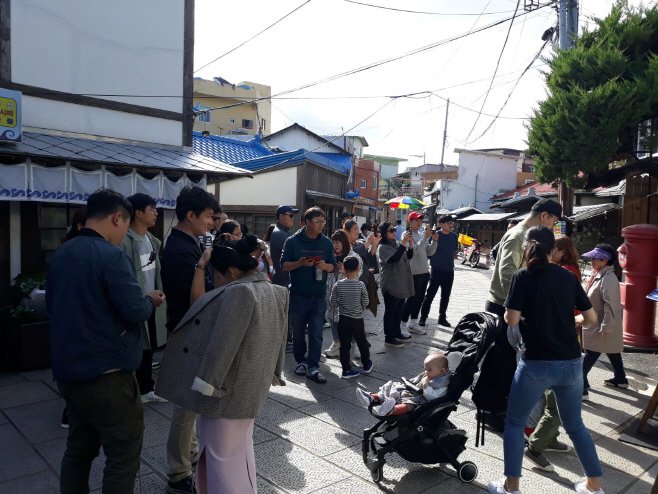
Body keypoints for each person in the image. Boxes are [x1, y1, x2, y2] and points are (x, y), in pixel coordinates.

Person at [46, 189, 165, 494]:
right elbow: (134, 308)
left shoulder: (62, 252)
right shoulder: (112, 255)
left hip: (69, 371)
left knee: (78, 451)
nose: (124, 231)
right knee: (123, 454)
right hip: (108, 375)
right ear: (116, 217)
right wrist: (150, 299)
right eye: (124, 225)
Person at [156, 237, 288, 494]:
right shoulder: (275, 290)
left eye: (214, 275)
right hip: (252, 386)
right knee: (238, 453)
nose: (213, 282)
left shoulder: (239, 292)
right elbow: (280, 337)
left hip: (225, 392)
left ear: (229, 272)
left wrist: (207, 384)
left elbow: (223, 344)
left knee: (219, 457)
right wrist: (275, 371)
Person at [487, 226, 603, 494]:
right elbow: (590, 318)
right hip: (572, 363)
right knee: (576, 426)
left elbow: (512, 320)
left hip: (536, 363)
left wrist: (510, 315)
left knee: (515, 424)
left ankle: (511, 486)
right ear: (554, 250)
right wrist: (570, 319)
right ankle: (593, 487)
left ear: (527, 248)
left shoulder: (522, 276)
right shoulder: (567, 277)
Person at [160, 185, 218, 494]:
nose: (210, 223)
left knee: (190, 404)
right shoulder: (181, 249)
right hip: (188, 333)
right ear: (191, 215)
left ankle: (189, 458)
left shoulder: (187, 243)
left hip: (191, 330)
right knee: (186, 406)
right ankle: (178, 473)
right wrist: (204, 264)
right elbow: (195, 299)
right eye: (208, 216)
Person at [523, 235, 581, 473]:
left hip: (556, 344)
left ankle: (545, 438)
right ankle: (538, 443)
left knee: (555, 399)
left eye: (555, 249)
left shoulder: (565, 273)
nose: (552, 253)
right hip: (557, 348)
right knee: (557, 401)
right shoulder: (562, 272)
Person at [120, 193, 168, 404]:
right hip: (135, 302)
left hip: (152, 301)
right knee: (137, 346)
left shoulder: (152, 240)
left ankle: (146, 387)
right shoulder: (124, 241)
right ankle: (141, 387)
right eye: (152, 209)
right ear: (138, 213)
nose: (156, 214)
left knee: (149, 345)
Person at [282, 207, 336, 384]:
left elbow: (334, 266)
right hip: (297, 294)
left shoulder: (327, 243)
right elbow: (283, 265)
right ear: (307, 222)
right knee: (298, 332)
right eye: (318, 221)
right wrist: (300, 263)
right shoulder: (292, 241)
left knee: (316, 332)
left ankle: (313, 367)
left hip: (319, 295)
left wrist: (325, 266)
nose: (321, 225)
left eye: (323, 221)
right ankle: (301, 361)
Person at [581, 244, 628, 397]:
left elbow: (611, 304)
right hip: (597, 320)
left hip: (601, 322)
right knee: (610, 349)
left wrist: (606, 326)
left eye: (596, 258)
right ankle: (620, 378)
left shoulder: (608, 278)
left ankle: (580, 386)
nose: (592, 260)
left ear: (605, 260)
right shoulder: (600, 275)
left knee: (591, 353)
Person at [59, 206, 88, 430]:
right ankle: (71, 412)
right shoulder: (79, 252)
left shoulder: (65, 250)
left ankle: (72, 410)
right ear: (80, 226)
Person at [355, 353, 450, 416]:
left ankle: (392, 410)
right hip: (412, 391)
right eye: (425, 369)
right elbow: (416, 380)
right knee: (394, 388)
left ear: (442, 371)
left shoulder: (442, 383)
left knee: (409, 405)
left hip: (421, 400)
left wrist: (425, 385)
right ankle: (372, 397)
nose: (426, 372)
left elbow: (432, 398)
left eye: (429, 370)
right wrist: (408, 383)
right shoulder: (432, 374)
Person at [330, 256, 372, 379]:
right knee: (362, 342)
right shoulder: (360, 285)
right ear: (358, 269)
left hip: (343, 319)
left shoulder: (338, 285)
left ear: (343, 269)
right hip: (357, 319)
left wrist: (343, 304)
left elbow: (333, 301)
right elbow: (365, 302)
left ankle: (346, 370)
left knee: (345, 345)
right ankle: (366, 364)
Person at [324, 230, 362, 358]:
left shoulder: (354, 257)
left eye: (338, 242)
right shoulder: (331, 256)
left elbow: (358, 273)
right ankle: (336, 344)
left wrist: (344, 269)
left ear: (344, 242)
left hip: (349, 296)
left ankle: (355, 346)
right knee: (334, 320)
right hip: (332, 296)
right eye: (333, 242)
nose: (335, 245)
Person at [377, 221, 414, 348]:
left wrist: (410, 244)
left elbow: (408, 256)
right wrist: (403, 244)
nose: (394, 232)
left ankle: (397, 332)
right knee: (391, 311)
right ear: (384, 233)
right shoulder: (383, 247)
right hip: (390, 284)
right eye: (391, 230)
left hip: (401, 283)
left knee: (399, 310)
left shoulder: (397, 244)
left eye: (394, 230)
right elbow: (393, 259)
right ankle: (389, 337)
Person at [401, 212, 438, 336]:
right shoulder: (407, 235)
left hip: (424, 271)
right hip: (413, 272)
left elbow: (429, 252)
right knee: (411, 299)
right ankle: (403, 324)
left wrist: (434, 241)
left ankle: (414, 322)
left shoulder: (423, 235)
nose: (418, 222)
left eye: (420, 220)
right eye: (416, 220)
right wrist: (425, 238)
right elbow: (413, 252)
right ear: (409, 221)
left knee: (420, 299)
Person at [419, 215, 458, 327]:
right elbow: (429, 250)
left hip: (449, 270)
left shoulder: (454, 236)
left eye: (452, 223)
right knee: (430, 295)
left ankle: (442, 318)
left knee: (446, 296)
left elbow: (454, 249)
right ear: (441, 224)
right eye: (448, 223)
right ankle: (423, 317)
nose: (451, 225)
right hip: (436, 270)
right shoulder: (435, 235)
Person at [270, 205, 299, 353]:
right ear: (281, 216)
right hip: (283, 277)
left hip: (286, 276)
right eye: (290, 215)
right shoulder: (279, 234)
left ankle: (288, 338)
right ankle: (286, 340)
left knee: (288, 309)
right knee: (285, 310)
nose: (293, 218)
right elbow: (294, 255)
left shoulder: (285, 231)